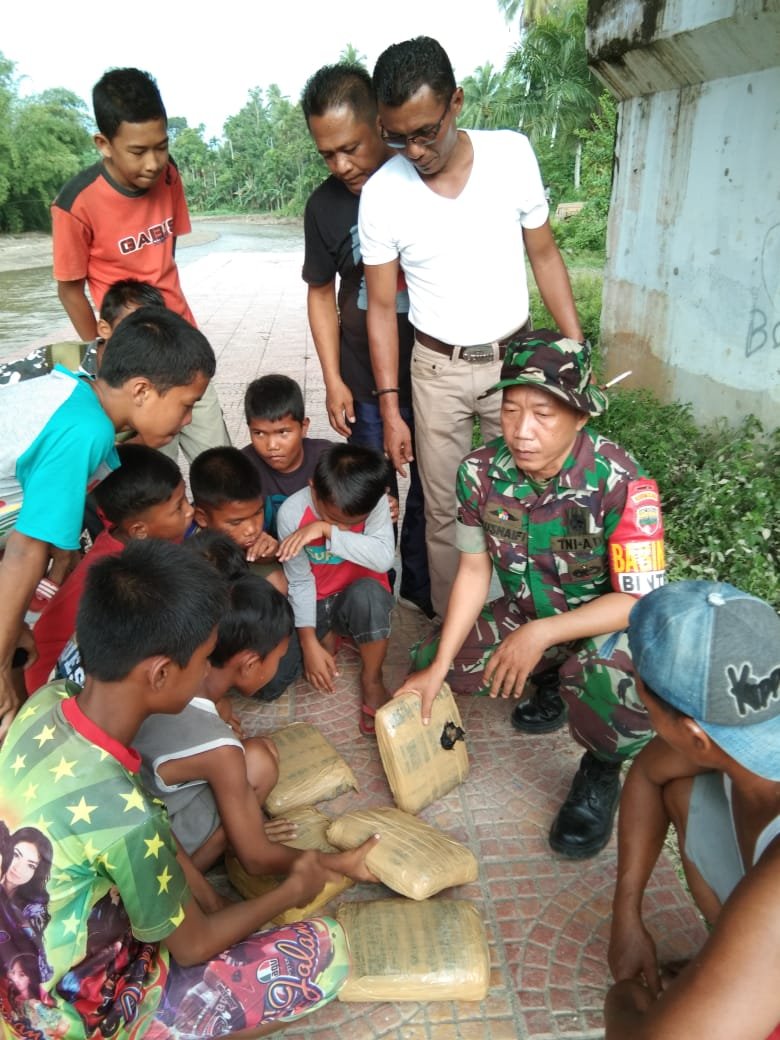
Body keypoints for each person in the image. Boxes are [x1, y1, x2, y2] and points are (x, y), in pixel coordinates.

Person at [0, 539, 377, 1039]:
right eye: (202, 660)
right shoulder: (131, 818)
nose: (206, 674)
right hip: (68, 1017)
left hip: (19, 969)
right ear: (159, 674)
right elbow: (194, 946)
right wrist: (291, 890)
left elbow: (145, 829)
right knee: (322, 953)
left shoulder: (46, 702)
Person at [398, 331, 666, 857]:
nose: (522, 432)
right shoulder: (478, 473)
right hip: (526, 612)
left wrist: (541, 634)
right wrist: (439, 665)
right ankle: (548, 683)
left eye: (543, 415)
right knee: (432, 665)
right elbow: (474, 571)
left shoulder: (622, 481)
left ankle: (600, 772)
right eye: (511, 410)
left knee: (614, 683)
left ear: (581, 416)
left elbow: (638, 601)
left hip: (601, 627)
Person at [359, 36, 584, 618]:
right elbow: (381, 308)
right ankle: (455, 635)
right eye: (396, 136)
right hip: (435, 371)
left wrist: (575, 347)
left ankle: (523, 627)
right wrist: (390, 407)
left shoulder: (511, 156)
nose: (413, 149)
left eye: (425, 131)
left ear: (456, 102)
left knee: (525, 498)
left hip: (516, 368)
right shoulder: (383, 194)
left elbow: (545, 255)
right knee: (444, 510)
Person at [0, 306, 215, 741]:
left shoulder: (77, 394)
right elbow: (25, 551)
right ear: (141, 390)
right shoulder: (86, 430)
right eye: (186, 404)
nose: (188, 419)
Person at [605, 580, 780, 1040]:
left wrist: (622, 1002)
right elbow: (647, 774)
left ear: (695, 735)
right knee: (680, 788)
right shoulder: (749, 732)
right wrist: (627, 914)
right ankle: (731, 962)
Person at [135, 572, 382, 887]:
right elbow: (256, 860)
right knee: (259, 761)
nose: (278, 666)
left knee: (260, 749)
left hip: (143, 808)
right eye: (278, 658)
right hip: (164, 860)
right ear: (250, 664)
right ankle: (220, 848)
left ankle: (235, 830)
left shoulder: (171, 671)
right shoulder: (218, 747)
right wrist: (338, 862)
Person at [300, 63, 431, 618]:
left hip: (429, 372)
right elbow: (318, 293)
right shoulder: (324, 207)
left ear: (379, 123)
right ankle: (374, 594)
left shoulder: (422, 179)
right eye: (327, 154)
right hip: (362, 378)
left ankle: (424, 598)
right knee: (375, 495)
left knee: (431, 493)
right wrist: (332, 379)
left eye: (349, 147)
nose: (341, 165)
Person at [51, 66, 229, 462]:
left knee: (217, 461)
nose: (153, 162)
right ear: (104, 143)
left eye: (161, 146)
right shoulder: (76, 203)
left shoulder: (170, 176)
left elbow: (167, 257)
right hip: (134, 364)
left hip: (183, 345)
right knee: (148, 479)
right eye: (138, 151)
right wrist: (106, 354)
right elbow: (69, 290)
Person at [0, 279, 167, 617]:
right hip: (32, 475)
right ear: (103, 328)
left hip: (84, 474)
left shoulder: (149, 384)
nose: (141, 344)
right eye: (132, 330)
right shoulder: (58, 363)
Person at [25, 444, 193, 693]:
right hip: (58, 686)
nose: (190, 511)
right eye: (179, 507)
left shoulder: (129, 537)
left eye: (186, 499)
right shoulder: (125, 574)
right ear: (139, 530)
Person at [277, 442, 395, 735]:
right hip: (316, 601)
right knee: (275, 679)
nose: (339, 526)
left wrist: (326, 529)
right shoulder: (292, 513)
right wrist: (308, 641)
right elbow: (300, 582)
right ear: (313, 487)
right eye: (331, 518)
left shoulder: (376, 502)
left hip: (359, 594)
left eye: (349, 524)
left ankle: (372, 678)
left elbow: (382, 559)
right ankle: (329, 633)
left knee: (370, 596)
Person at [190, 446, 302, 702]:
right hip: (219, 646)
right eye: (236, 522)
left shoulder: (254, 541)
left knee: (278, 582)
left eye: (257, 513)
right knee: (267, 686)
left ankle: (305, 634)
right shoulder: (195, 556)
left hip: (245, 638)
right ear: (202, 518)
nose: (252, 529)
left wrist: (274, 553)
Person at [240, 374, 333, 539]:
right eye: (259, 433)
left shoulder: (330, 460)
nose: (272, 446)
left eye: (283, 432)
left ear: (303, 427)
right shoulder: (241, 467)